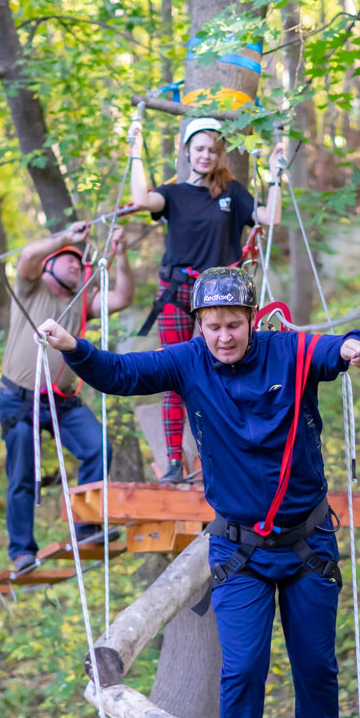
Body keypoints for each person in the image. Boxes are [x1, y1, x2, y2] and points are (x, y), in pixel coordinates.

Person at [37, 267, 360, 718]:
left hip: (307, 544)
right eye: (213, 326)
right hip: (239, 551)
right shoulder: (188, 361)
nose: (223, 336)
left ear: (252, 322)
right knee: (242, 667)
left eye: (233, 325)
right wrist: (74, 347)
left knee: (316, 663)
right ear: (199, 327)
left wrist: (357, 348)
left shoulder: (291, 353)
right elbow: (121, 374)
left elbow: (349, 348)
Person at [129, 116, 286, 484]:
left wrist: (276, 175)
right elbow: (140, 200)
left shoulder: (233, 193)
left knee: (216, 372)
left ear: (219, 155)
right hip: (176, 291)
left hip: (218, 297)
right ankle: (173, 460)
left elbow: (270, 217)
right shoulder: (174, 194)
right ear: (187, 153)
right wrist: (135, 151)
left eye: (212, 150)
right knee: (172, 372)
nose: (205, 155)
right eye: (199, 149)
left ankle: (223, 455)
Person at [0, 221, 134, 576]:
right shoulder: (30, 288)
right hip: (19, 400)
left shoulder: (81, 302)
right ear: (50, 265)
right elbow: (28, 255)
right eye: (68, 260)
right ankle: (21, 552)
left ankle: (87, 530)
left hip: (61, 402)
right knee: (23, 474)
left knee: (98, 448)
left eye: (79, 261)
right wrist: (66, 239)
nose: (76, 264)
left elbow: (122, 298)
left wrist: (120, 257)